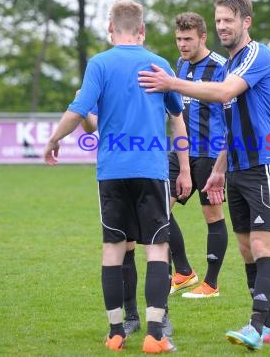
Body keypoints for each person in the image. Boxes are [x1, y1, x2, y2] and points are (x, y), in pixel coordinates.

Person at [139, 0, 270, 351]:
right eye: (218, 20)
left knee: (262, 244)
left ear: (245, 22)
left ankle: (255, 327)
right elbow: (231, 121)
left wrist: (172, 83)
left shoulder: (256, 55)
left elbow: (224, 94)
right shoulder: (231, 62)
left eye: (228, 20)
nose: (222, 26)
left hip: (264, 163)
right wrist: (220, 169)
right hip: (234, 167)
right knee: (246, 249)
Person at [44, 0, 181, 354]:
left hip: (112, 171)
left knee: (112, 249)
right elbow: (175, 116)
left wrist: (54, 139)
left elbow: (81, 114)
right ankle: (154, 335)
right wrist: (183, 165)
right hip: (150, 168)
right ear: (142, 30)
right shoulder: (159, 64)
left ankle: (116, 332)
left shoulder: (99, 64)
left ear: (110, 29)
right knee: (157, 249)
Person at [77, 102, 191, 339]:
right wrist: (84, 110)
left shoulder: (156, 72)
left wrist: (184, 167)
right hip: (116, 173)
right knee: (125, 246)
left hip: (150, 171)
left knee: (158, 244)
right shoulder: (104, 71)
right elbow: (90, 127)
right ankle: (131, 318)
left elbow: (177, 118)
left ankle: (160, 318)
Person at [167, 12, 229, 299]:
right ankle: (182, 272)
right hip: (180, 150)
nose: (182, 44)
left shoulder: (220, 67)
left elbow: (231, 110)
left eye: (188, 39)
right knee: (157, 208)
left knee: (212, 215)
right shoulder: (179, 65)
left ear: (203, 37)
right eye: (179, 39)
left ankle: (211, 284)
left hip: (209, 152)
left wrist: (222, 161)